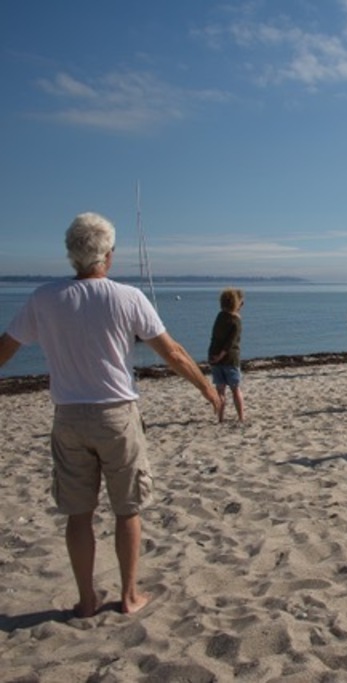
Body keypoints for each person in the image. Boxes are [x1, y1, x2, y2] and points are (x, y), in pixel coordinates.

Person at [0, 213, 221, 617]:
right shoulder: (127, 297)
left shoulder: (44, 297)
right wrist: (206, 388)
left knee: (78, 513)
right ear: (108, 255)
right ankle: (129, 595)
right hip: (117, 415)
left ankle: (86, 600)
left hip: (68, 417)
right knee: (127, 508)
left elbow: (6, 348)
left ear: (72, 254)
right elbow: (171, 352)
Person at [208, 288, 245, 422]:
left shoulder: (220, 316)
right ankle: (241, 417)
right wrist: (220, 356)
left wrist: (215, 356)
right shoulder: (236, 321)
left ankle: (221, 418)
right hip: (229, 359)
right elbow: (230, 343)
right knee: (235, 389)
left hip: (214, 356)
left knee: (220, 391)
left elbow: (216, 337)